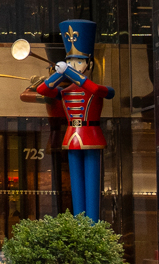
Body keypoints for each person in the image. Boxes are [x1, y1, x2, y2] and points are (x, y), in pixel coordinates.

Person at [22, 18, 116, 221]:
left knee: (92, 187)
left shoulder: (97, 88)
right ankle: (79, 225)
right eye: (72, 62)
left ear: (89, 63)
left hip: (91, 136)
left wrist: (71, 73)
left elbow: (98, 90)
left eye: (79, 62)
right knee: (76, 187)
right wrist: (57, 75)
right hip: (72, 137)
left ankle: (93, 228)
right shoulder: (65, 91)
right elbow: (43, 90)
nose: (75, 65)